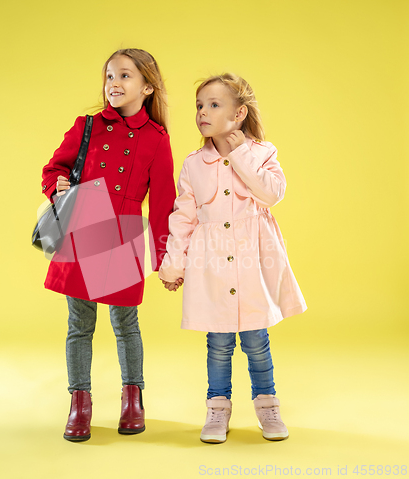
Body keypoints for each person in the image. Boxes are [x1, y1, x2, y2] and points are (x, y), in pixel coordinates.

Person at [158, 73, 307, 444]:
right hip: (210, 265)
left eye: (213, 104)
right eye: (199, 106)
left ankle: (267, 406)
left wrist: (240, 154)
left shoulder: (262, 153)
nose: (202, 112)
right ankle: (217, 409)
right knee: (219, 342)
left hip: (252, 261)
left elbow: (272, 194)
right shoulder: (193, 164)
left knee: (256, 338)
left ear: (239, 113)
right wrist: (173, 263)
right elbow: (183, 217)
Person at [40, 49, 176, 442]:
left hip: (124, 235)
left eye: (124, 76)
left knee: (125, 323)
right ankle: (79, 403)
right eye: (109, 76)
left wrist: (166, 258)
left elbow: (164, 203)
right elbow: (55, 168)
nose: (113, 83)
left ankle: (133, 399)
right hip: (84, 227)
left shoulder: (156, 138)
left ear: (147, 86)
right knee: (79, 324)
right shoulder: (87, 125)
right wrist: (57, 185)